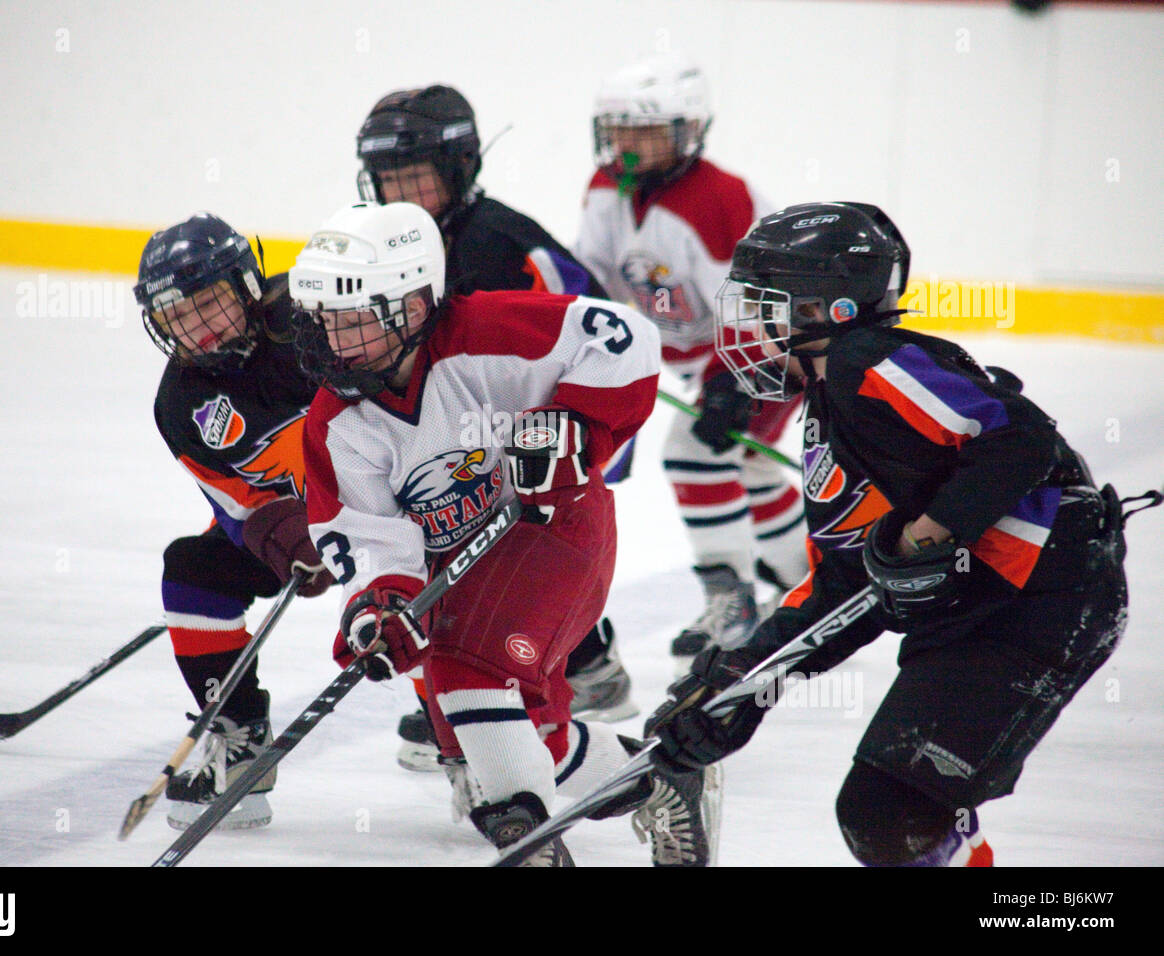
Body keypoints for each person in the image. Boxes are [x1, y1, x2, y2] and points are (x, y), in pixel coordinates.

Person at [646, 201, 1139, 866]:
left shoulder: (868, 363)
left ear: (829, 311)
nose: (751, 329)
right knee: (885, 814)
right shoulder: (826, 408)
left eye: (768, 308)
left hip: (1047, 593)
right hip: (982, 607)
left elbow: (1019, 441)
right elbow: (844, 585)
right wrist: (742, 682)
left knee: (889, 811)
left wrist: (927, 533)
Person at [291, 200, 718, 865]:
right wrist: (381, 605)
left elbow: (625, 338)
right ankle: (662, 779)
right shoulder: (335, 423)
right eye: (325, 322)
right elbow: (368, 537)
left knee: (461, 671)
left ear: (412, 304)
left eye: (355, 322)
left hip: (555, 525)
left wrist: (574, 425)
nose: (336, 342)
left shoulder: (489, 328)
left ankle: (526, 839)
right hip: (463, 567)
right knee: (504, 734)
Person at [355, 84, 638, 768]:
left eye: (415, 176)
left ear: (460, 169)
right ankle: (586, 667)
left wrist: (574, 426)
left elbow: (593, 334)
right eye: (387, 178)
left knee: (489, 559)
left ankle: (502, 708)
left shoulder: (490, 244)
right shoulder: (416, 242)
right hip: (497, 428)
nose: (399, 192)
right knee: (477, 545)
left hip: (567, 422)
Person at [575, 53, 810, 668]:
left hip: (773, 349)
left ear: (688, 130)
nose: (627, 144)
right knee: (751, 469)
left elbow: (758, 309)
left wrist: (737, 384)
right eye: (619, 127)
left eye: (645, 130)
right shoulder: (605, 188)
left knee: (693, 454)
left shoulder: (718, 199)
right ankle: (808, 584)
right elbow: (591, 280)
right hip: (699, 351)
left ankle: (732, 602)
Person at [134, 212, 333, 830]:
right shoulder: (180, 405)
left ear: (248, 286)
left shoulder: (316, 317)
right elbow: (237, 504)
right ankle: (242, 738)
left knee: (419, 607)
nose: (198, 329)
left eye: (210, 304)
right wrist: (286, 535)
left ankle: (464, 737)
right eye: (177, 318)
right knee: (192, 572)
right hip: (298, 515)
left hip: (394, 502)